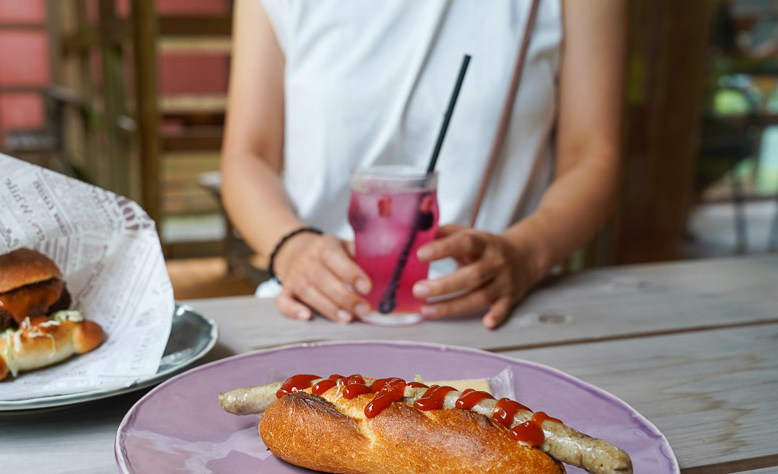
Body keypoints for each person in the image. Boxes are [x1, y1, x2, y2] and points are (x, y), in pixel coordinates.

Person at [220, 0, 625, 329]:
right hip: (319, 311)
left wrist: (526, 253)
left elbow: (591, 154)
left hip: (496, 315)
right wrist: (293, 248)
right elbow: (247, 156)